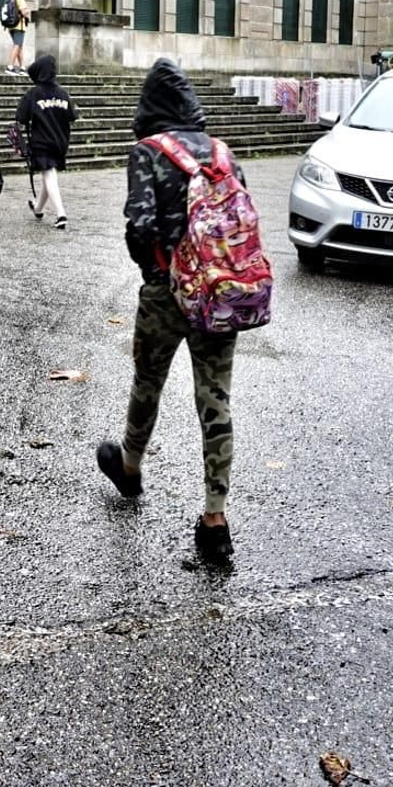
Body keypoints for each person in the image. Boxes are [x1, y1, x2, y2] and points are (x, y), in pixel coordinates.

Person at [95, 59, 243, 566]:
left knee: (148, 382)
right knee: (215, 398)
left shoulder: (148, 152)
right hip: (221, 292)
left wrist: (157, 273)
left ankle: (130, 468)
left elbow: (138, 224)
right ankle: (215, 518)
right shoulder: (222, 152)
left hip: (166, 292)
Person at [13, 54, 77, 229]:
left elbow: (21, 117)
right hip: (61, 142)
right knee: (49, 174)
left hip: (42, 141)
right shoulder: (63, 93)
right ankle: (38, 208)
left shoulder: (34, 94)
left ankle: (61, 213)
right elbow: (72, 116)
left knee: (48, 174)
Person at [3, 0, 30, 74]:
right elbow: (24, 13)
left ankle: (22, 67)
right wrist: (27, 11)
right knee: (17, 45)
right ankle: (10, 67)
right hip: (19, 26)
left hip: (11, 26)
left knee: (19, 46)